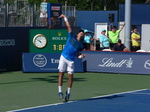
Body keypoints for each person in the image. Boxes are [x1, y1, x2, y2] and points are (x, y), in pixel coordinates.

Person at [57, 14, 85, 102]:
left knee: (70, 77)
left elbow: (78, 55)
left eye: (83, 34)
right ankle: (60, 91)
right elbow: (68, 25)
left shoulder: (81, 45)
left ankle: (68, 93)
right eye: (81, 32)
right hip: (63, 57)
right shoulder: (71, 36)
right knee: (61, 74)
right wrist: (65, 17)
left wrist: (81, 56)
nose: (82, 34)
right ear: (78, 34)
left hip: (71, 61)